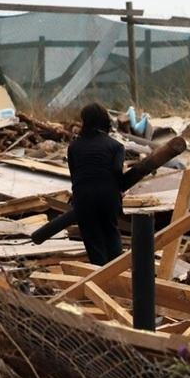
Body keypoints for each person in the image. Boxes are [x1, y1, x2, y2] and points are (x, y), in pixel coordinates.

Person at [67, 103, 125, 265]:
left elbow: (74, 175)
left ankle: (99, 278)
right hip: (108, 196)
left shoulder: (74, 147)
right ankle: (117, 275)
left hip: (83, 196)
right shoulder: (116, 146)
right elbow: (116, 171)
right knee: (112, 233)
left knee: (93, 239)